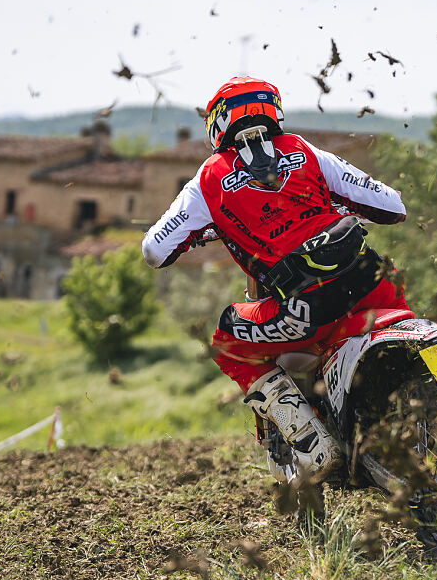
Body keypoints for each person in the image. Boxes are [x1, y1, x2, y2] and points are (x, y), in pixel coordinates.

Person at [142, 77, 409, 483]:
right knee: (405, 325)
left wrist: (208, 228)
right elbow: (392, 205)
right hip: (372, 279)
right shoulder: (307, 152)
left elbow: (155, 250)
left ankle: (314, 444)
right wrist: (331, 204)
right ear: (274, 110)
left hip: (306, 308)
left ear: (217, 123)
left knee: (226, 342)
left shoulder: (210, 179)